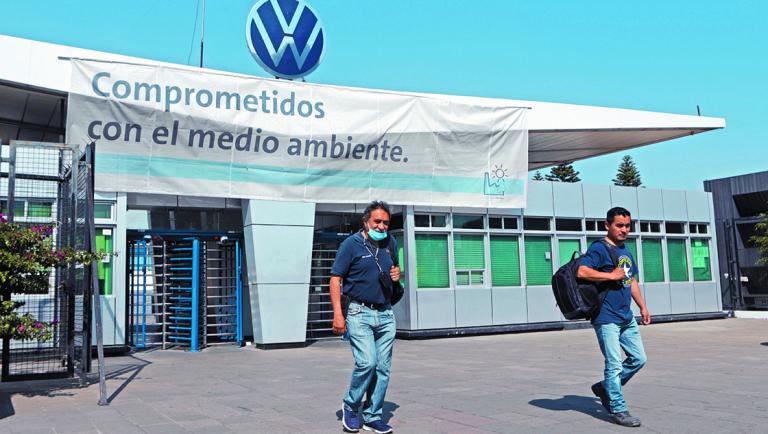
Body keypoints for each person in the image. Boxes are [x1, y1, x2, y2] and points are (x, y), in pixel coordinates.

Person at [330, 201, 400, 434]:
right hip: (359, 313)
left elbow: (394, 275)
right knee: (367, 362)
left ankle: (372, 416)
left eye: (386, 223)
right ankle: (351, 405)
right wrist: (338, 314)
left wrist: (397, 275)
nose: (381, 226)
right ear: (366, 222)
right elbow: (335, 279)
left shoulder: (391, 243)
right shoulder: (351, 245)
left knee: (383, 367)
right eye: (377, 222)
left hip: (386, 313)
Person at [578, 207, 651, 428]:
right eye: (619, 225)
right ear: (607, 225)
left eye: (627, 226)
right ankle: (617, 408)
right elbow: (582, 271)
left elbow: (631, 281)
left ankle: (604, 388)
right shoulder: (599, 249)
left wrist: (643, 307)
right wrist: (611, 275)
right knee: (614, 364)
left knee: (639, 359)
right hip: (606, 317)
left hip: (626, 316)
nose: (624, 230)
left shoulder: (625, 251)